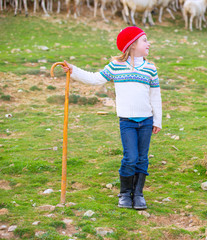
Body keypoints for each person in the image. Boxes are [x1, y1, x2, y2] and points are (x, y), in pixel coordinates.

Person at [61, 26, 162, 210]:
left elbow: (155, 95)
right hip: (127, 121)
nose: (148, 43)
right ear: (132, 45)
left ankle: (138, 194)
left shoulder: (150, 69)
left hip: (146, 121)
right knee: (130, 157)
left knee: (142, 158)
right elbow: (95, 78)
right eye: (144, 40)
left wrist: (157, 120)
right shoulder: (116, 66)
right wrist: (73, 70)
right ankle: (125, 194)